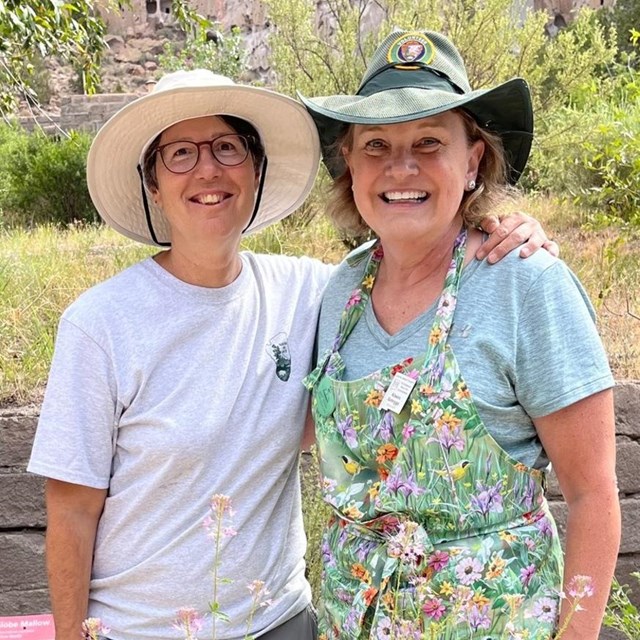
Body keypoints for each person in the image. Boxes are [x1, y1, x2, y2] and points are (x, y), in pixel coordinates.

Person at [28, 70, 554, 640]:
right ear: (152, 183)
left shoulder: (313, 293)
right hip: (141, 628)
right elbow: (73, 511)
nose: (208, 169)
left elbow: (411, 268)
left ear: (256, 171)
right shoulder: (101, 323)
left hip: (279, 620)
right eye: (179, 154)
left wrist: (496, 225)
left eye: (227, 148)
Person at [301, 29, 620, 640]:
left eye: (429, 142)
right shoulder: (339, 290)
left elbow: (593, 495)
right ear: (349, 162)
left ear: (473, 158)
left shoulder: (525, 282)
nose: (401, 167)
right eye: (376, 145)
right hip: (354, 621)